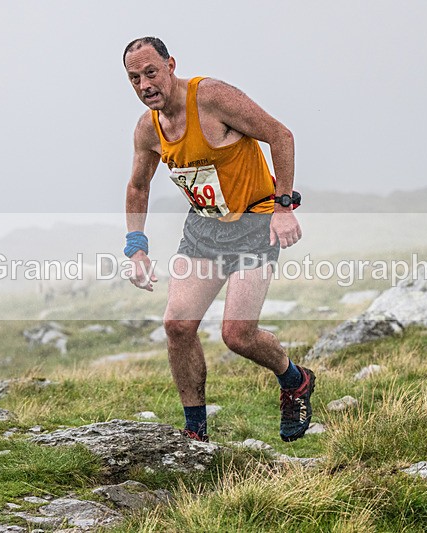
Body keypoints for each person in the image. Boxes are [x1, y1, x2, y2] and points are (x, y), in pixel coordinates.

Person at [122, 36, 315, 442]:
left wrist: (284, 208)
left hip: (254, 224)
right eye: (134, 78)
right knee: (177, 325)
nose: (144, 85)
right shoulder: (148, 128)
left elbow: (280, 135)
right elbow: (139, 186)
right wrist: (135, 246)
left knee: (237, 336)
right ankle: (196, 434)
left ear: (171, 65)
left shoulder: (210, 98)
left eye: (151, 73)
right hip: (204, 230)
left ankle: (295, 380)